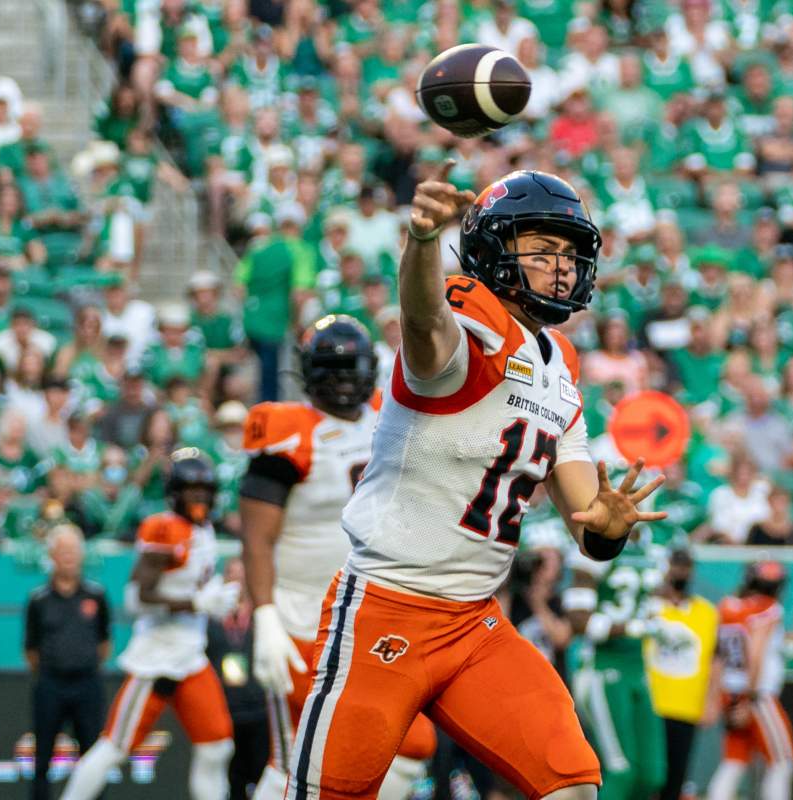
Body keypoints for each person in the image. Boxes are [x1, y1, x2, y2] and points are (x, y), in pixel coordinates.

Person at [284, 165, 666, 800]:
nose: (563, 266)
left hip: (474, 625)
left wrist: (607, 527)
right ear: (493, 248)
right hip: (388, 606)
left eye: (570, 253)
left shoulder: (559, 361)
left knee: (572, 784)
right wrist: (423, 244)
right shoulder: (469, 312)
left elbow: (583, 516)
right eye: (543, 249)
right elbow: (428, 330)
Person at [240, 315, 436, 800]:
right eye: (334, 369)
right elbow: (256, 538)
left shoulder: (389, 414)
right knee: (294, 760)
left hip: (368, 613)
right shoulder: (289, 433)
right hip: (300, 617)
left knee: (411, 745)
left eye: (353, 369)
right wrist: (263, 615)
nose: (345, 380)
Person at [62, 449, 239, 800]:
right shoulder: (164, 528)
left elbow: (193, 583)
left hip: (191, 654)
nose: (200, 497)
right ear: (175, 491)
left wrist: (213, 595)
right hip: (157, 657)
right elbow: (137, 598)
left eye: (205, 489)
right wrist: (197, 602)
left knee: (217, 745)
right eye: (193, 489)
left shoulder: (201, 529)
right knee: (114, 746)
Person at [565, 521, 667, 800]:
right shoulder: (596, 546)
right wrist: (630, 627)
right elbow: (577, 619)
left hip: (638, 668)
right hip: (602, 667)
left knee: (652, 773)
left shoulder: (653, 546)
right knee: (621, 770)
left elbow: (656, 600)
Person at [24, 524, 111, 800]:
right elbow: (31, 648)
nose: (68, 557)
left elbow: (104, 642)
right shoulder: (38, 600)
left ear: (82, 555)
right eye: (62, 551)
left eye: (73, 551)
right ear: (52, 555)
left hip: (87, 683)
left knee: (93, 756)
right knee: (42, 757)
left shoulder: (96, 595)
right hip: (51, 683)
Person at [707, 561, 793, 800]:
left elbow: (717, 656)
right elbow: (754, 655)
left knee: (734, 760)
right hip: (757, 695)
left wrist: (714, 698)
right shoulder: (768, 609)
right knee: (783, 761)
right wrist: (750, 698)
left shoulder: (727, 606)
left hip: (730, 691)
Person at [644, 549, 720, 800]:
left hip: (687, 704)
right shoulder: (649, 607)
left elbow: (714, 658)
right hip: (651, 703)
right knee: (648, 775)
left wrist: (712, 699)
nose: (681, 572)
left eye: (685, 566)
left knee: (676, 776)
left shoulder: (706, 612)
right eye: (676, 566)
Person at [205, 558, 269, 800]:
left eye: (243, 575)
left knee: (262, 773)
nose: (238, 581)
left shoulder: (262, 614)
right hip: (223, 706)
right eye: (232, 574)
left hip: (259, 706)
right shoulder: (211, 617)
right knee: (230, 776)